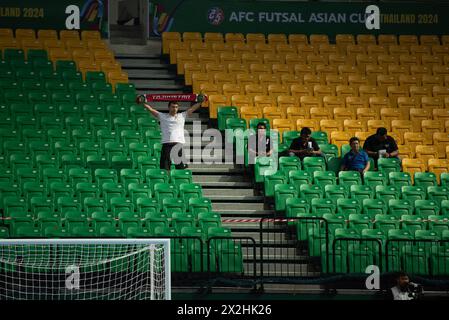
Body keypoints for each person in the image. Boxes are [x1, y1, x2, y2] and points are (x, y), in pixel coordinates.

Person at [139, 95, 205, 171]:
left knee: (181, 168)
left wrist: (200, 102)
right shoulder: (162, 116)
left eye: (176, 107)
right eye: (173, 107)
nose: (175, 109)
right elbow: (151, 109)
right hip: (167, 144)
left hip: (178, 144)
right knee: (165, 168)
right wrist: (143, 102)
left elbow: (193, 108)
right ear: (169, 107)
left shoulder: (182, 115)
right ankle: (167, 182)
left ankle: (180, 182)